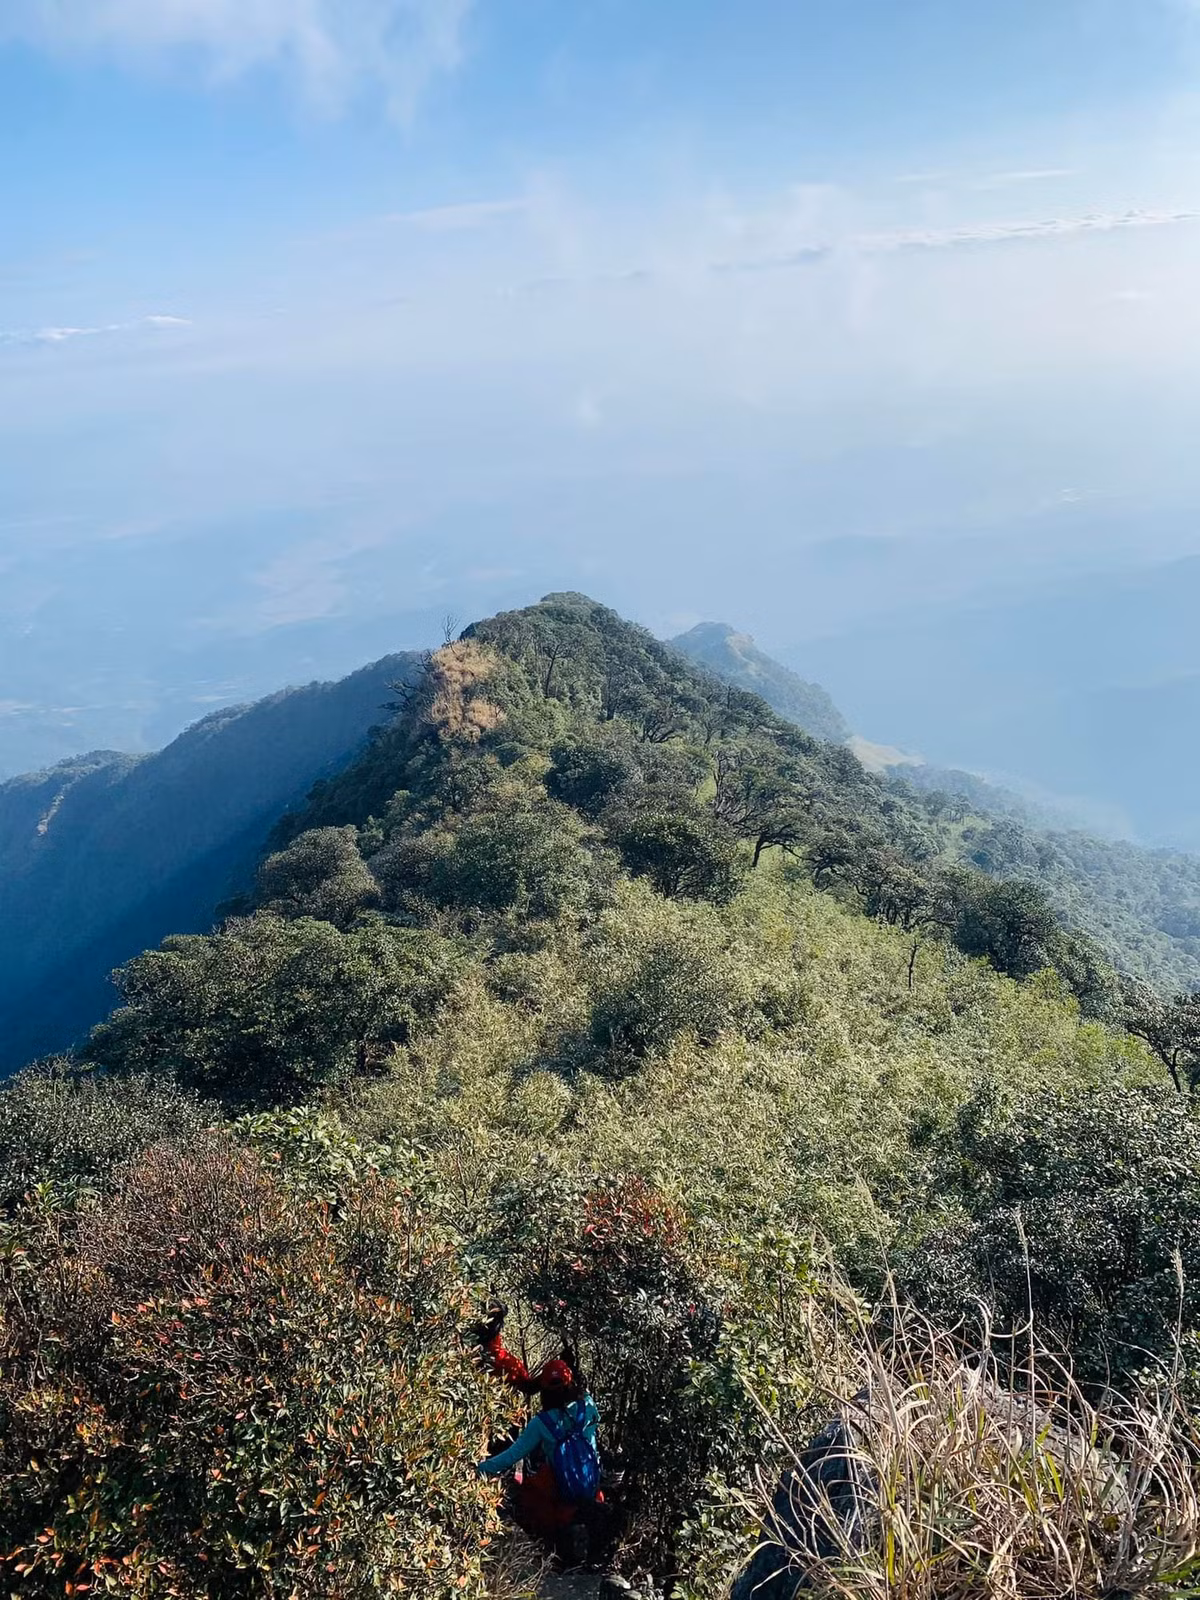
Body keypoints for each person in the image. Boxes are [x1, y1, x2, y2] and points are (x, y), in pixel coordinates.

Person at [476, 1338, 602, 1545]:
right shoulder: (587, 1406)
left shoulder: (541, 1423)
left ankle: (545, 1539)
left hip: (558, 1490)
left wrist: (478, 1469)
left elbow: (511, 1456)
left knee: (526, 1495)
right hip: (591, 1487)